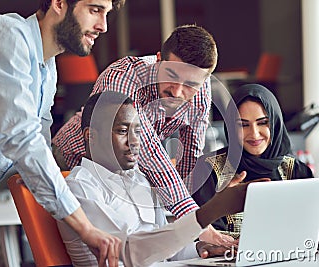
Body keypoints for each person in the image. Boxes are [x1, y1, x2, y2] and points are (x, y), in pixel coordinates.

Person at [0, 0, 126, 266]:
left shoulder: (46, 70)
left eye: (107, 14)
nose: (103, 26)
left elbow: (38, 153)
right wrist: (84, 227)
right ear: (59, 3)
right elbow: (23, 141)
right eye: (95, 10)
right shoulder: (4, 33)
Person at [57, 91, 268, 266]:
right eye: (122, 131)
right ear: (90, 136)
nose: (134, 141)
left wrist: (200, 248)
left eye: (138, 131)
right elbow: (131, 252)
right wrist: (212, 209)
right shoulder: (79, 188)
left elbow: (164, 247)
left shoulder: (139, 179)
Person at [52, 24, 216, 218]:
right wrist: (191, 216)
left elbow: (190, 157)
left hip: (124, 171)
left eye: (190, 84)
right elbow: (146, 150)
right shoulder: (123, 77)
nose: (177, 92)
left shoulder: (201, 91)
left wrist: (194, 208)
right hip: (70, 158)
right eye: (171, 76)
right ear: (158, 60)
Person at [192, 83, 319, 236]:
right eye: (243, 125)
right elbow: (204, 234)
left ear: (275, 122)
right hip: (229, 259)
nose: (254, 134)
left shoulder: (294, 169)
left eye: (262, 123)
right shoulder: (208, 169)